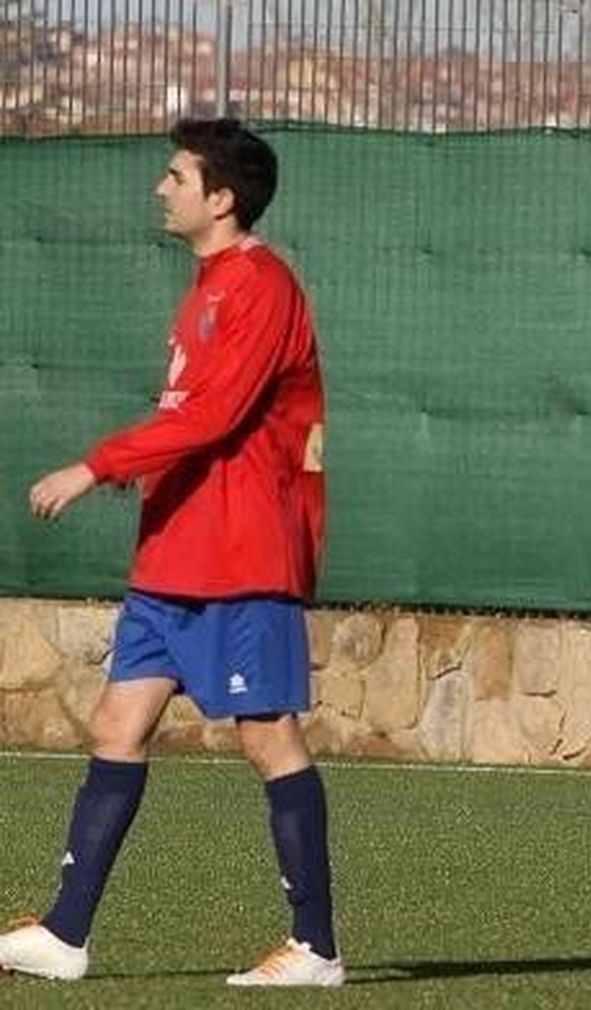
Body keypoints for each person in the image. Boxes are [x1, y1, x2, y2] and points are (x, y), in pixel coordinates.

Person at [2, 119, 343, 985]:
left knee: (267, 739)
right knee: (117, 726)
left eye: (177, 176)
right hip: (174, 558)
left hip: (239, 559)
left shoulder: (263, 284)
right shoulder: (205, 288)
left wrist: (97, 465)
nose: (162, 188)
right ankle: (66, 933)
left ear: (221, 199)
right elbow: (188, 418)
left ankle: (315, 947)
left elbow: (215, 416)